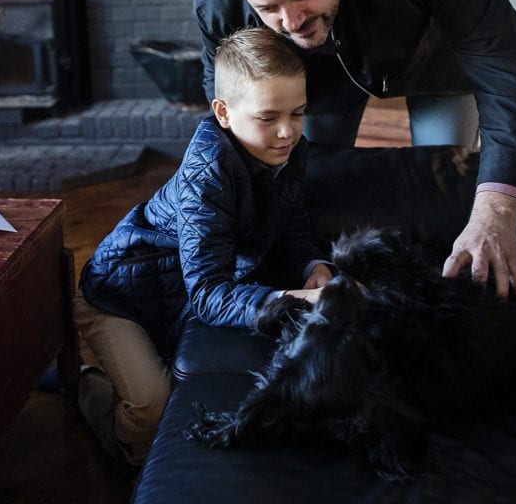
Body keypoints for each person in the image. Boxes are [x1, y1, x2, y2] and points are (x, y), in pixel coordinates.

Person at [193, 0, 516, 300]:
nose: (289, 22)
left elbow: (504, 58)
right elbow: (229, 122)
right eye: (268, 8)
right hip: (320, 63)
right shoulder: (218, 1)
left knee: (447, 180)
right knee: (313, 174)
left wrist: (497, 211)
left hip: (430, 38)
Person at [73, 26, 333, 467]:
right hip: (117, 297)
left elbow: (292, 225)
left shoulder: (288, 150)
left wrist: (314, 263)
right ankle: (93, 401)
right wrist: (293, 299)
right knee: (152, 410)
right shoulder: (207, 174)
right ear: (224, 113)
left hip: (171, 293)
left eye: (299, 113)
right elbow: (209, 294)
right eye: (268, 118)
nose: (287, 132)